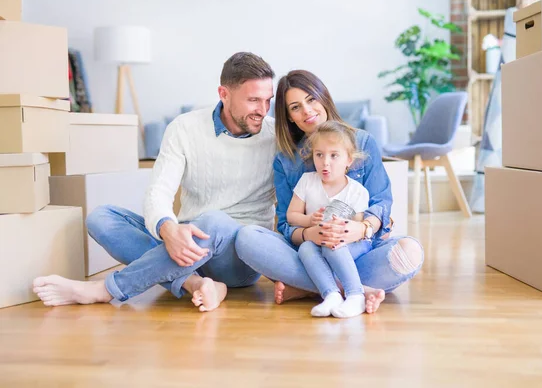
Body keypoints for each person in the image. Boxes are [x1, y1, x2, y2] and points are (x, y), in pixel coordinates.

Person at [32, 52, 277, 312]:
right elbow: (158, 191)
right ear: (224, 93)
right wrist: (168, 228)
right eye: (253, 100)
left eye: (267, 100)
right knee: (101, 217)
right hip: (185, 246)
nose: (262, 110)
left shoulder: (276, 136)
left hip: (237, 260)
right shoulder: (185, 128)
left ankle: (105, 289)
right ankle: (194, 283)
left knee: (213, 221)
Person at [235, 70, 425, 314]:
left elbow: (381, 202)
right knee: (247, 238)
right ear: (289, 117)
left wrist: (361, 228)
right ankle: (355, 289)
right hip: (308, 253)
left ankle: (312, 289)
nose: (307, 111)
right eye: (295, 107)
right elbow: (285, 224)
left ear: (323, 97)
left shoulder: (362, 142)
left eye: (311, 99)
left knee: (410, 251)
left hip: (356, 250)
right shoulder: (286, 160)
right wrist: (310, 233)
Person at [290, 121, 373, 318]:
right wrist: (310, 220)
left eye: (334, 155)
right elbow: (291, 216)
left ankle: (355, 295)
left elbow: (358, 227)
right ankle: (332, 295)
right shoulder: (307, 181)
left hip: (350, 244)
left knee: (331, 244)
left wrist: (340, 234)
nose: (325, 162)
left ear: (348, 160)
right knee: (306, 247)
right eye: (319, 155)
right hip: (317, 240)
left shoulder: (357, 191)